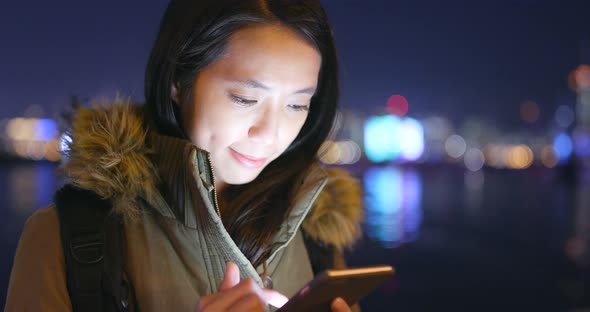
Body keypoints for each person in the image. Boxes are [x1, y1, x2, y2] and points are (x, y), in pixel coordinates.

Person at [5, 0, 363, 311]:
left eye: (297, 104)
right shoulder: (69, 235)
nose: (271, 133)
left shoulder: (315, 230)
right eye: (244, 98)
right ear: (178, 80)